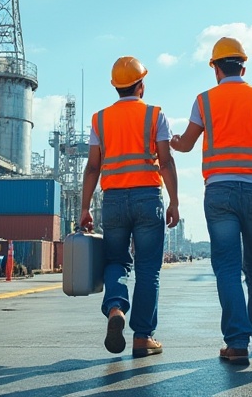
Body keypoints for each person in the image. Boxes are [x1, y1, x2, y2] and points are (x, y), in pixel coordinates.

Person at [170, 36, 252, 366]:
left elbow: (187, 144)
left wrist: (173, 142)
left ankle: (235, 342)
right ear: (243, 66)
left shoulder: (204, 101)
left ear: (215, 69)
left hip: (219, 194)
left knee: (227, 267)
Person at [80, 56, 180, 358]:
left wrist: (84, 207)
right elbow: (166, 161)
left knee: (116, 262)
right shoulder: (155, 115)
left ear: (116, 87)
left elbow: (92, 167)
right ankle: (143, 337)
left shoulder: (99, 119)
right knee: (148, 269)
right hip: (148, 199)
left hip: (112, 201)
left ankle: (114, 309)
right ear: (141, 85)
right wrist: (174, 201)